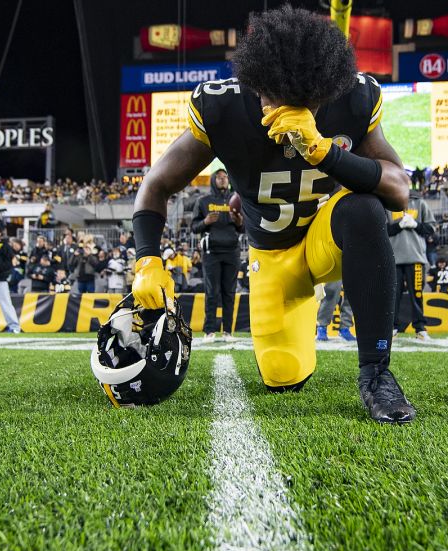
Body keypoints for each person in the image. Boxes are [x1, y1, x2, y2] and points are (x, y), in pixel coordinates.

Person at [129, 6, 416, 423]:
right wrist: (147, 259)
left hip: (326, 236)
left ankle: (376, 374)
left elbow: (399, 190)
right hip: (275, 258)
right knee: (283, 379)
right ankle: (300, 312)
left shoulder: (353, 98)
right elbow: (156, 185)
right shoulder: (222, 107)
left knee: (365, 208)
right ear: (254, 83)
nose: (279, 109)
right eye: (272, 98)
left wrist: (324, 150)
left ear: (326, 94)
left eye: (304, 104)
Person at [193, 168, 244, 341]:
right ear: (213, 180)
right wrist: (205, 221)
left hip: (232, 251)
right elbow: (194, 227)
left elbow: (243, 228)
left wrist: (239, 221)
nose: (222, 180)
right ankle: (209, 331)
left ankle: (228, 332)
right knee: (212, 292)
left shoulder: (236, 199)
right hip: (211, 252)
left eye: (225, 177)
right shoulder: (203, 201)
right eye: (219, 177)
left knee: (229, 292)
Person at [388, 193, 435, 341]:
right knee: (393, 296)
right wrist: (398, 226)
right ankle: (392, 328)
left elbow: (431, 229)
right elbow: (382, 230)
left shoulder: (419, 203)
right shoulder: (387, 202)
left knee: (417, 295)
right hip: (394, 258)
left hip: (415, 258)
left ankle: (420, 328)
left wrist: (416, 224)